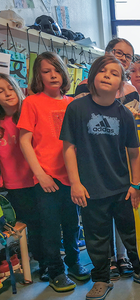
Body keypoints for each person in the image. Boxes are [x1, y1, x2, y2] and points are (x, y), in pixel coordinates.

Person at [60, 55, 140, 300]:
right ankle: (102, 279)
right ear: (93, 77)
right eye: (102, 71)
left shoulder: (125, 114)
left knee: (132, 233)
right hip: (91, 188)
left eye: (114, 73)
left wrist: (135, 184)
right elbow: (68, 148)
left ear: (121, 85)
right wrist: (75, 183)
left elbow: (134, 153)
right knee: (96, 238)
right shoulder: (76, 108)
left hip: (122, 188)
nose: (107, 75)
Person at [17, 51, 90, 292]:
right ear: (38, 77)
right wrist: (40, 174)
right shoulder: (32, 102)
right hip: (46, 178)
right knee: (50, 226)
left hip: (71, 177)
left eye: (57, 70)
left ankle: (73, 261)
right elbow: (25, 141)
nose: (53, 75)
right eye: (46, 72)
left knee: (72, 225)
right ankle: (56, 270)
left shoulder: (72, 103)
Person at [0, 73, 44, 280]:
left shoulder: (30, 113)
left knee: (42, 223)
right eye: (1, 91)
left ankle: (46, 263)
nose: (8, 94)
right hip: (13, 185)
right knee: (27, 224)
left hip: (38, 179)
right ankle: (36, 261)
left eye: (10, 88)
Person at [75, 38, 140, 113]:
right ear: (106, 53)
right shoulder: (86, 85)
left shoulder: (132, 92)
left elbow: (135, 121)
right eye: (119, 53)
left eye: (128, 57)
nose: (124, 58)